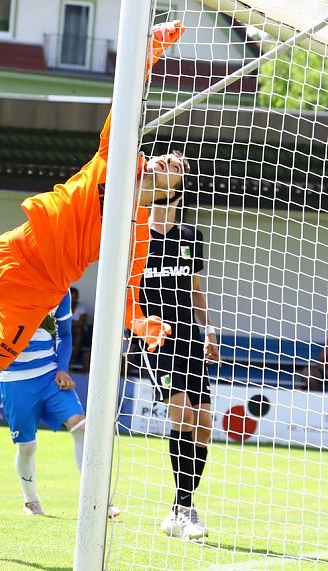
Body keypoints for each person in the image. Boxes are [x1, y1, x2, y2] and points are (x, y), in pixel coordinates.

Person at [0, 20, 187, 462]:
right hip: (11, 248)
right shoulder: (114, 157)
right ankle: (1, 323)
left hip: (39, 290)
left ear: (170, 189)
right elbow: (127, 97)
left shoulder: (138, 231)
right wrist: (152, 47)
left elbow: (129, 291)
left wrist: (143, 324)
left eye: (173, 166)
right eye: (162, 155)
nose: (163, 161)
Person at [134, 184, 219, 540]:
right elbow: (125, 289)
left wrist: (210, 330)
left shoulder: (190, 236)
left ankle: (179, 509)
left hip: (191, 338)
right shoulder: (135, 235)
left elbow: (196, 289)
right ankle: (184, 510)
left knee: (204, 424)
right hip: (157, 342)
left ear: (179, 194)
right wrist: (139, 326)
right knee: (181, 413)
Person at [0, 290, 120, 518]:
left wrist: (62, 368)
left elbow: (65, 334)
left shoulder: (61, 290)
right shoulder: (8, 284)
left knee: (82, 427)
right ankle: (31, 500)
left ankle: (98, 500)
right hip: (14, 379)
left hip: (49, 374)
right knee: (27, 447)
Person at [69, 287, 92, 372]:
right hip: (64, 331)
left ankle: (74, 356)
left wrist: (69, 324)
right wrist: (73, 323)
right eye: (73, 297)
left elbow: (82, 322)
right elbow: (56, 322)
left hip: (75, 331)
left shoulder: (81, 307)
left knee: (79, 330)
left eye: (76, 297)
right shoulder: (62, 306)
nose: (75, 299)